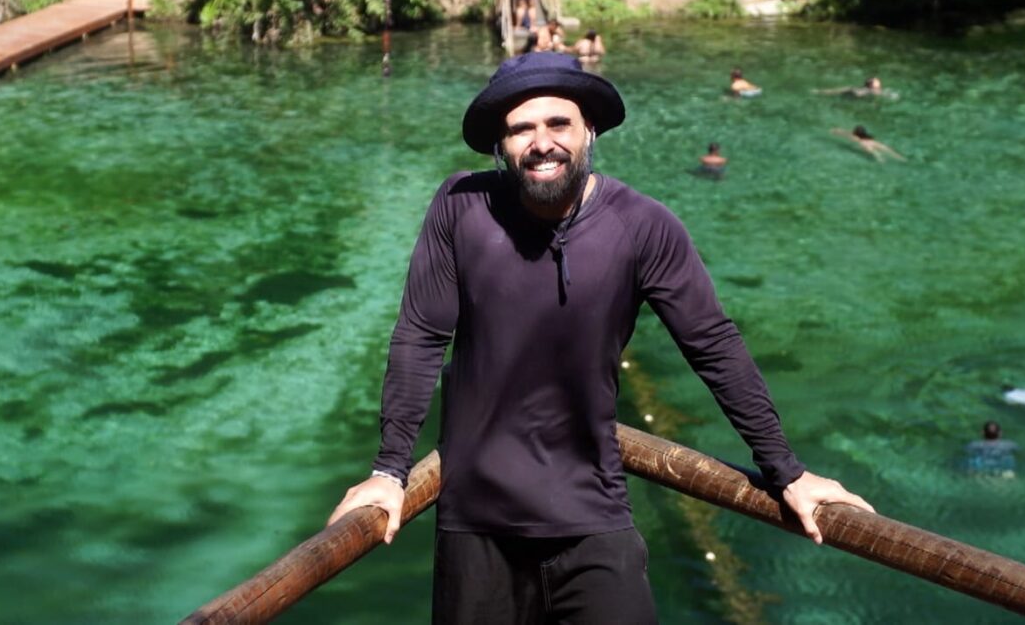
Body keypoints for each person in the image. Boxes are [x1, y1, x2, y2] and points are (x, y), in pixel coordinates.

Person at [327, 51, 874, 623]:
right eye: (521, 129)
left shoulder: (643, 226)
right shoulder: (460, 207)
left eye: (558, 123)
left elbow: (713, 345)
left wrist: (787, 471)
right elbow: (420, 335)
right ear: (500, 145)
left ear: (588, 129)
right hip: (476, 523)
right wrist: (389, 472)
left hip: (593, 515)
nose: (541, 143)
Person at [830, 126, 906, 162]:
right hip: (875, 143)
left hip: (866, 145)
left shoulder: (856, 138)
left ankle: (880, 159)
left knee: (875, 153)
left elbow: (844, 133)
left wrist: (835, 131)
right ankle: (903, 160)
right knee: (891, 152)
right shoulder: (869, 137)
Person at [816, 77, 889, 98]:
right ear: (870, 85)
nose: (879, 86)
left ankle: (820, 92)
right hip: (856, 94)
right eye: (877, 85)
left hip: (854, 92)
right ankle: (821, 92)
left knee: (837, 92)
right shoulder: (871, 90)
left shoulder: (858, 88)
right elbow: (881, 93)